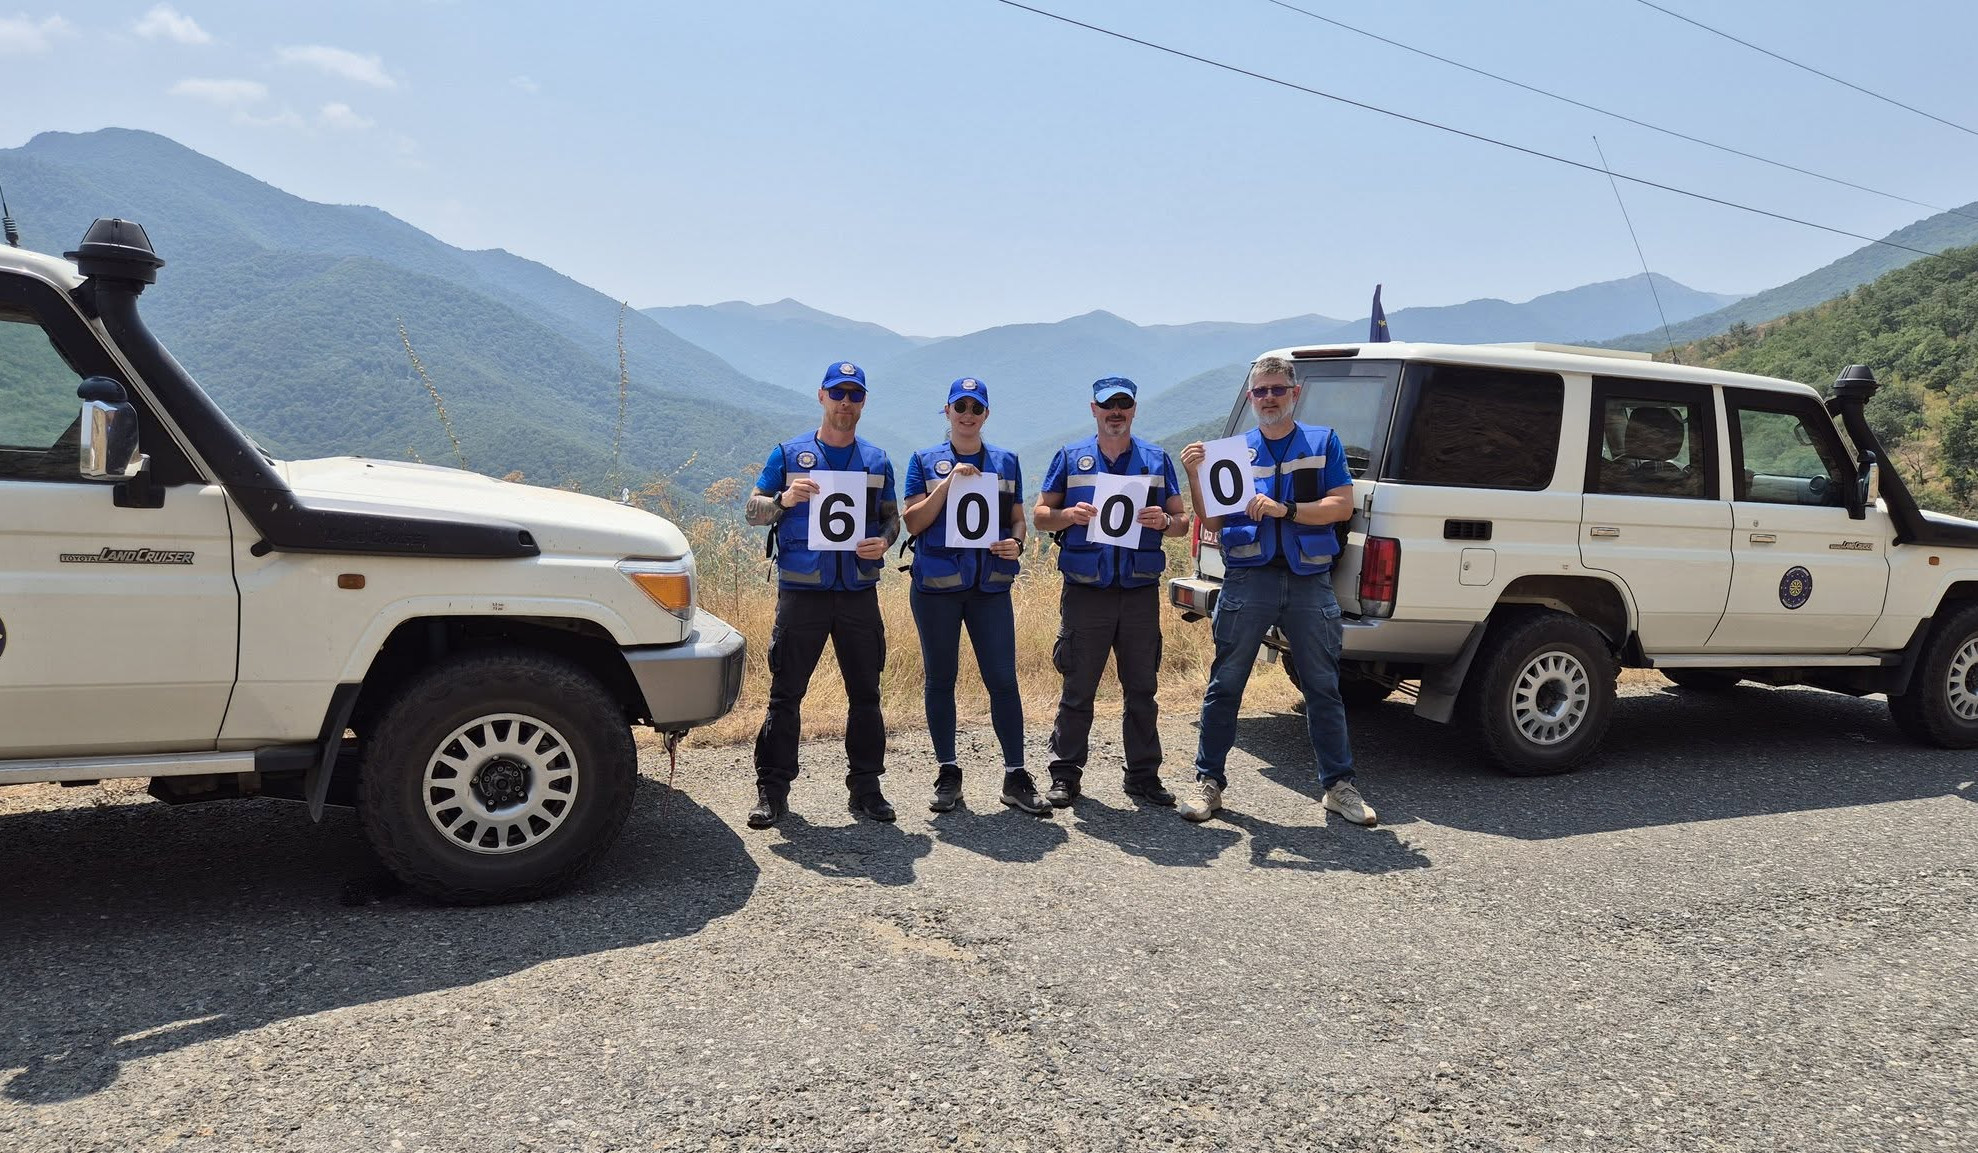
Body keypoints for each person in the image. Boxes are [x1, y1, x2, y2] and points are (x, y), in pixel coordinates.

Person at [1177, 355, 1375, 826]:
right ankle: (1209, 783)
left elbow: (1340, 506)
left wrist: (1287, 510)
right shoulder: (1233, 452)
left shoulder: (1322, 442)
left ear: (1295, 393)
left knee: (1323, 687)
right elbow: (1212, 520)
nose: (1269, 398)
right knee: (1226, 685)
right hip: (1248, 578)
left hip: (1309, 580)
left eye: (1277, 390)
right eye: (1260, 391)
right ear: (1251, 397)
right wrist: (1194, 475)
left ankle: (1339, 787)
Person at [742, 361, 901, 828]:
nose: (845, 403)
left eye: (854, 395)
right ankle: (772, 792)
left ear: (863, 402)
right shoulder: (788, 455)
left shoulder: (877, 461)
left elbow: (892, 519)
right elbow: (752, 511)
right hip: (802, 592)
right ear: (821, 396)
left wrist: (884, 542)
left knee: (866, 694)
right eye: (838, 393)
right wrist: (783, 500)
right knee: (785, 695)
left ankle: (867, 789)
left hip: (857, 592)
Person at [1032, 376, 1190, 809]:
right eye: (1108, 405)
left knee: (1142, 688)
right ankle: (1065, 775)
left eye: (1123, 404)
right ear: (1094, 409)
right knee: (1078, 687)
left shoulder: (1156, 459)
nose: (1115, 412)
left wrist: (1165, 522)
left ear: (1133, 409)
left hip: (1138, 590)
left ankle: (1143, 776)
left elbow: (1182, 522)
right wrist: (1068, 515)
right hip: (1087, 591)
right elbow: (1040, 516)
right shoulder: (1070, 457)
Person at [901, 377, 1047, 815]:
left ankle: (1015, 775)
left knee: (1003, 680)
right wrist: (947, 484)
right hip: (936, 590)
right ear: (947, 411)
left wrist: (1016, 543)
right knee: (940, 679)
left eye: (976, 408)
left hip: (989, 589)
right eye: (960, 406)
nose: (968, 414)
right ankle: (948, 772)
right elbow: (913, 522)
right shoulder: (923, 460)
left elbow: (1018, 520)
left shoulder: (1006, 461)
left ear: (986, 414)